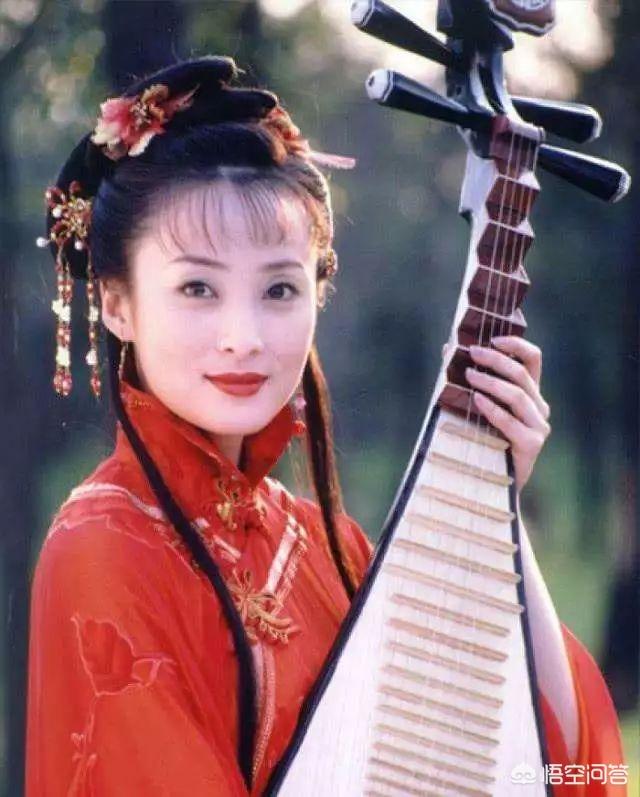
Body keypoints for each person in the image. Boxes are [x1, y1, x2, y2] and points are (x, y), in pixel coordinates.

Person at [25, 55, 625, 796]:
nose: (243, 337)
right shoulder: (102, 546)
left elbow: (560, 763)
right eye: (198, 288)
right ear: (118, 305)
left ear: (318, 291)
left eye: (279, 288)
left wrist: (494, 491)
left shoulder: (325, 542)